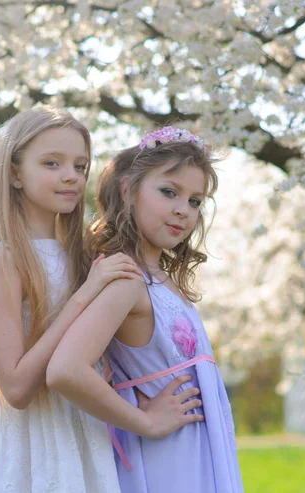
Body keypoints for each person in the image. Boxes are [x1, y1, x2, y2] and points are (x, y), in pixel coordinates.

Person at [0, 109, 201, 493]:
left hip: (85, 425)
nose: (70, 176)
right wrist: (84, 296)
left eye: (80, 165)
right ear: (14, 174)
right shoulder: (5, 259)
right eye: (51, 163)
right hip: (27, 441)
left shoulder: (87, 253)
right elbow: (16, 389)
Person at [47, 126, 244, 493]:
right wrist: (145, 421)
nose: (182, 210)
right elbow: (65, 370)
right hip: (166, 459)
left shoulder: (161, 279)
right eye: (169, 192)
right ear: (128, 190)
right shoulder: (127, 279)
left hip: (196, 452)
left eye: (195, 201)